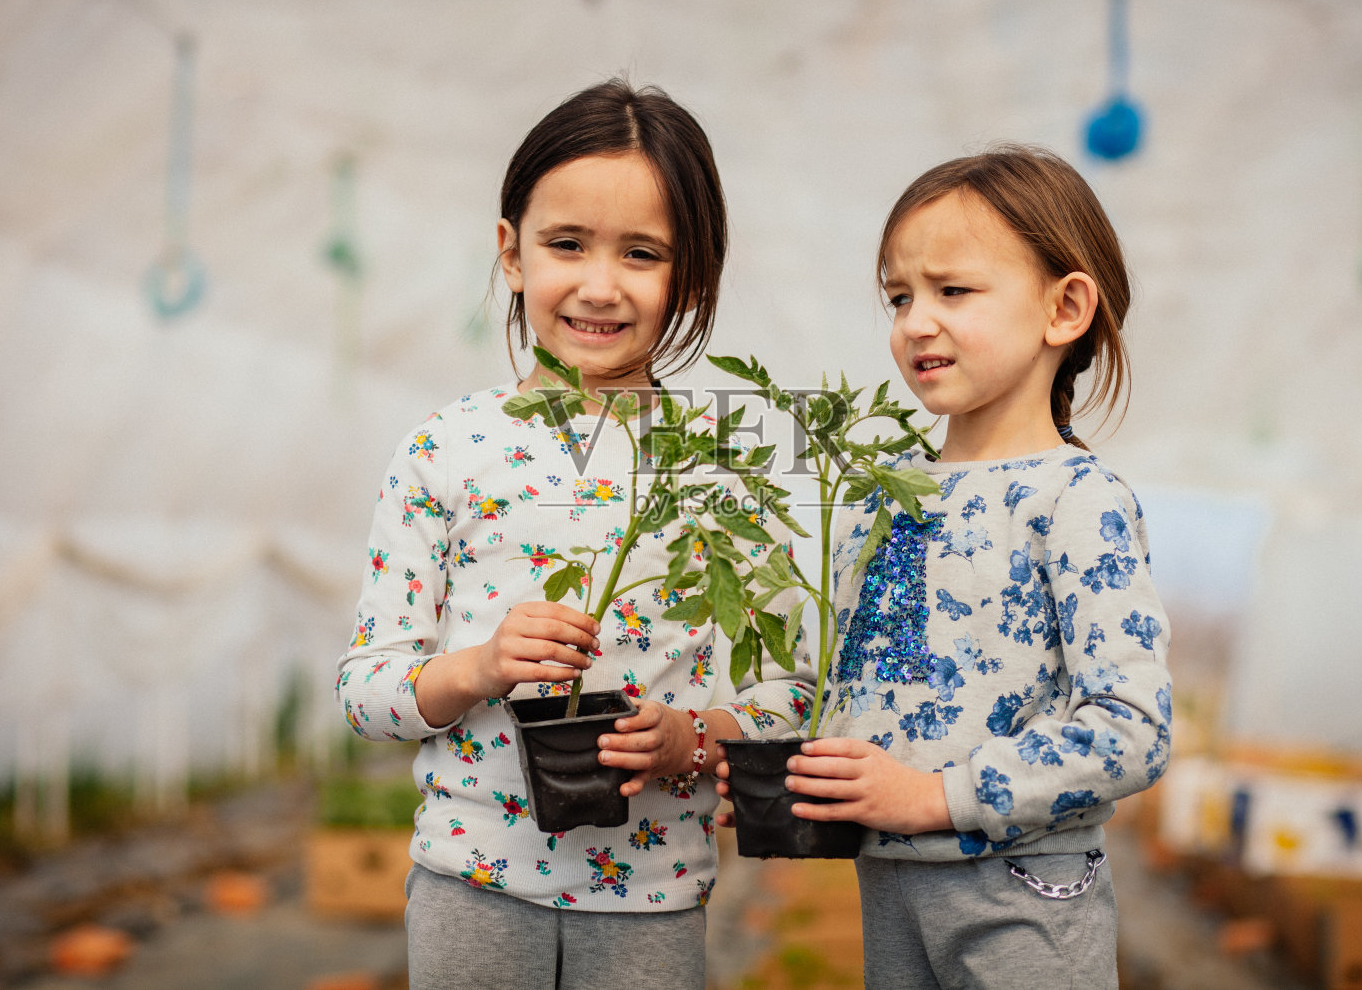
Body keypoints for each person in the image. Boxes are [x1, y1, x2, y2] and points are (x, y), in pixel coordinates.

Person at [337, 80, 809, 990]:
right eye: (566, 244)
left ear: (692, 277)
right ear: (511, 252)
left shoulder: (730, 468)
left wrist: (692, 741)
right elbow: (365, 692)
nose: (599, 284)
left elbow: (787, 698)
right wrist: (479, 665)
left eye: (642, 252)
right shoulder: (445, 449)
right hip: (469, 888)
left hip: (652, 900)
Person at [763, 145, 1172, 989]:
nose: (916, 320)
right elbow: (832, 684)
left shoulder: (1075, 499)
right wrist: (729, 746)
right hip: (889, 882)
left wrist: (934, 796)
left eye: (953, 291)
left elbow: (1132, 728)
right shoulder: (883, 496)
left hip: (1022, 894)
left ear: (1064, 308)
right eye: (900, 296)